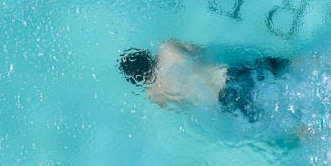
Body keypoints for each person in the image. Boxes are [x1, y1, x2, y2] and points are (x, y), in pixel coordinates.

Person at [119, 41, 290, 119]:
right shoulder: (168, 47)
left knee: (276, 116)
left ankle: (305, 133)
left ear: (137, 79)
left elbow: (182, 107)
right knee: (282, 66)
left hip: (223, 100)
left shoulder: (155, 93)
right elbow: (202, 52)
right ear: (144, 54)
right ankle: (313, 59)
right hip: (228, 73)